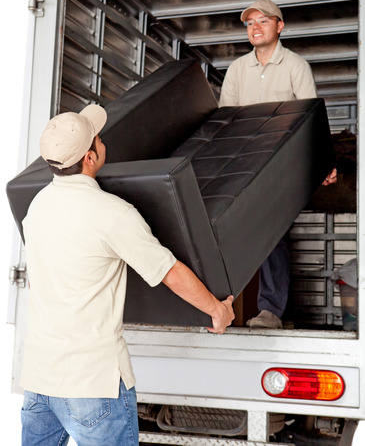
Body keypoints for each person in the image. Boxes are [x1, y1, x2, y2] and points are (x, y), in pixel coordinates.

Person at [20, 104, 234, 446]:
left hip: (40, 381)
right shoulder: (112, 213)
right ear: (89, 158)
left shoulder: (36, 207)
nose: (103, 141)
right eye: (99, 138)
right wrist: (216, 309)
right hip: (92, 383)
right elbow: (168, 271)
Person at [220, 0, 336, 330]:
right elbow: (225, 121)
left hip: (282, 164)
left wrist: (323, 162)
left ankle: (270, 310)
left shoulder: (296, 66)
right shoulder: (238, 70)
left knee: (273, 235)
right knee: (235, 233)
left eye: (263, 21)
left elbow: (309, 116)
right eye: (249, 23)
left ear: (279, 26)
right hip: (245, 163)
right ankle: (220, 305)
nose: (255, 28)